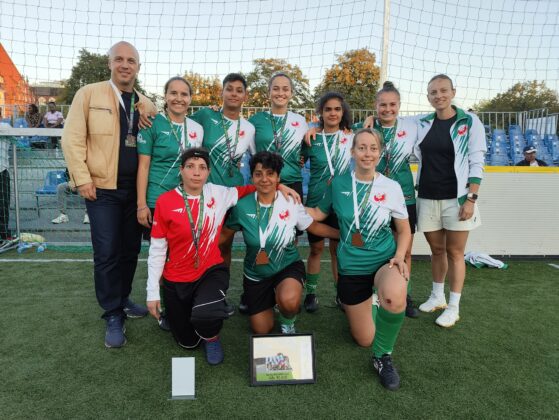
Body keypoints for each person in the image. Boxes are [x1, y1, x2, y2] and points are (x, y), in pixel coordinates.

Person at [62, 41, 157, 348]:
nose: (125, 65)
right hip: (101, 189)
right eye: (119, 59)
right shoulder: (88, 95)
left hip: (135, 192)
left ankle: (124, 298)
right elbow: (72, 139)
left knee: (130, 251)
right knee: (107, 252)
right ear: (110, 64)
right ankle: (112, 313)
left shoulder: (147, 104)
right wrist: (82, 178)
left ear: (138, 67)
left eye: (131, 60)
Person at [306, 128, 411, 391]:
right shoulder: (339, 183)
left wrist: (399, 256)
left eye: (373, 148)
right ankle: (370, 304)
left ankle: (382, 357)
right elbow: (318, 213)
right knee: (364, 338)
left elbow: (405, 229)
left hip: (384, 261)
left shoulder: (391, 187)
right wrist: (281, 198)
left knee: (395, 295)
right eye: (362, 147)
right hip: (351, 268)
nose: (367, 153)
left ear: (380, 152)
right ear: (352, 152)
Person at [146, 148, 258, 365]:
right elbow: (157, 249)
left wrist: (280, 186)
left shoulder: (219, 193)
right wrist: (152, 292)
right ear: (181, 171)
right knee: (187, 342)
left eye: (202, 167)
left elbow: (252, 188)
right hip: (177, 277)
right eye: (190, 166)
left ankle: (213, 337)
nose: (196, 172)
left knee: (205, 315)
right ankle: (177, 315)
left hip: (210, 271)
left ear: (208, 172)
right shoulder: (165, 201)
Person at [221, 151, 339, 334]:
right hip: (256, 275)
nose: (264, 179)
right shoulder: (241, 207)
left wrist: (342, 234)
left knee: (289, 302)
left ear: (278, 177)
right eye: (258, 174)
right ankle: (269, 301)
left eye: (270, 173)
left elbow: (313, 227)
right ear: (251, 177)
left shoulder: (290, 201)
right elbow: (224, 237)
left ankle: (287, 322)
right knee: (261, 329)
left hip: (287, 266)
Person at [415, 74, 486, 328]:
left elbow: (477, 162)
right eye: (433, 92)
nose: (439, 96)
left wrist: (471, 199)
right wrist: (370, 118)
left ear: (453, 92)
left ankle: (453, 306)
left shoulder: (470, 121)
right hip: (427, 196)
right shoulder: (422, 122)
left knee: (456, 252)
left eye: (443, 90)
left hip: (456, 199)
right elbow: (393, 121)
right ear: (428, 97)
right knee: (436, 250)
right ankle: (437, 296)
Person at [136, 76, 204, 330]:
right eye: (173, 93)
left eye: (184, 94)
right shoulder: (152, 124)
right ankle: (166, 308)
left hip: (187, 201)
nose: (178, 98)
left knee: (182, 256)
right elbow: (143, 166)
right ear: (165, 96)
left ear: (190, 99)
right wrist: (142, 204)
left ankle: (183, 303)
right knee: (164, 257)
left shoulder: (197, 128)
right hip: (157, 201)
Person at [359, 81, 420, 318]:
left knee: (405, 251)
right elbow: (339, 130)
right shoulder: (366, 127)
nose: (387, 109)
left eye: (392, 104)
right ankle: (375, 292)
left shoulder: (412, 126)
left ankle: (405, 292)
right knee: (377, 246)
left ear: (399, 105)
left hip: (404, 196)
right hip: (375, 197)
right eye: (382, 105)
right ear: (375, 106)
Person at [302, 91, 353, 312]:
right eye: (328, 109)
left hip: (341, 201)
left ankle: (340, 295)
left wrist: (370, 120)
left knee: (336, 250)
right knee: (315, 249)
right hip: (316, 200)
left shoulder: (351, 136)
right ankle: (311, 293)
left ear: (343, 112)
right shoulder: (311, 138)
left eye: (337, 109)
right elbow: (298, 160)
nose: (333, 113)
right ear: (321, 113)